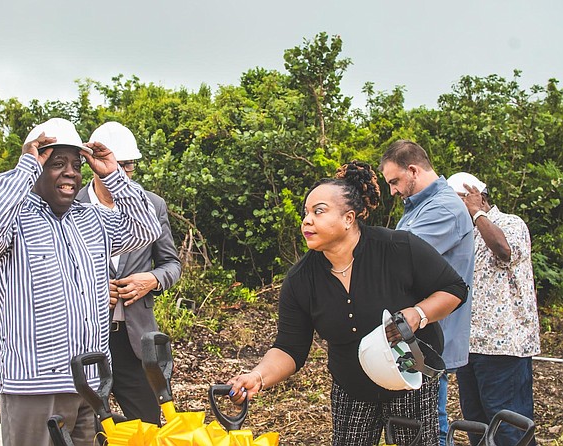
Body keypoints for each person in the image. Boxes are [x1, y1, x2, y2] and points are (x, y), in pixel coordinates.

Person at [226, 161, 468, 446]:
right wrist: (258, 377)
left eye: (319, 211)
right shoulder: (301, 279)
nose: (307, 220)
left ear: (349, 218)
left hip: (409, 381)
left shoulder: (398, 248)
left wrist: (418, 314)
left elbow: (454, 289)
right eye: (306, 213)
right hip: (351, 389)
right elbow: (289, 348)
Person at [0, 118, 162, 446]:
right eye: (57, 163)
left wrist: (113, 175)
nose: (71, 172)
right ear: (36, 169)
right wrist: (25, 166)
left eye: (76, 164)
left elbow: (146, 227)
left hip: (89, 385)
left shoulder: (91, 219)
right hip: (35, 388)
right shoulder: (12, 223)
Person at [76, 121, 182, 425]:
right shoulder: (71, 207)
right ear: (93, 164)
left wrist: (152, 280)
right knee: (88, 425)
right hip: (87, 338)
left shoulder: (151, 204)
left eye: (128, 165)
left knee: (146, 425)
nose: (120, 172)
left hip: (134, 340)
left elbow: (171, 264)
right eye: (116, 164)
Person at [379, 140, 474, 446]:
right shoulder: (420, 207)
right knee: (416, 425)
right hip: (414, 335)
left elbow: (399, 261)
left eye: (394, 182)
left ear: (413, 170)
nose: (392, 191)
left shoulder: (444, 209)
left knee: (429, 425)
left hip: (432, 336)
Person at [447, 172, 540, 446]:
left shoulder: (510, 223)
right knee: (477, 427)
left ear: (477, 196)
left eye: (457, 203)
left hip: (503, 346)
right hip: (469, 346)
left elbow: (504, 251)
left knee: (509, 427)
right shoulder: (463, 235)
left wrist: (476, 213)